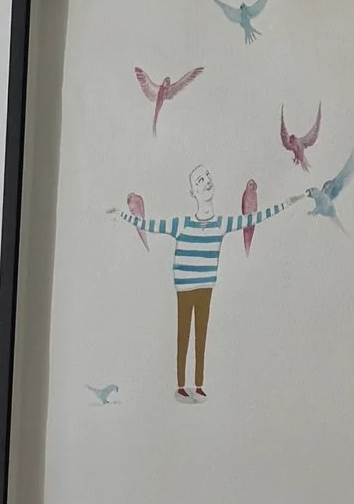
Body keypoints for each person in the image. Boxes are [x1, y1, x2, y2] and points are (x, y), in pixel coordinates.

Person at [125, 164, 296, 398]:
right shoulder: (181, 224)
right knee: (183, 333)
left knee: (201, 334)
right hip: (184, 286)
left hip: (206, 285)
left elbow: (253, 218)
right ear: (193, 193)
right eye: (199, 181)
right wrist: (122, 215)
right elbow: (149, 225)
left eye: (206, 177)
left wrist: (286, 203)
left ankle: (198, 384)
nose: (205, 182)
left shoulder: (220, 224)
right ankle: (181, 385)